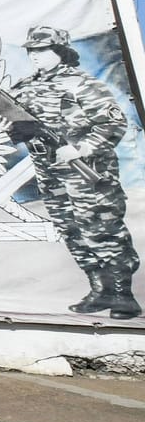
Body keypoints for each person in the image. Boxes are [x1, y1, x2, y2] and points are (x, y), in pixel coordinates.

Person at [8, 25, 141, 319]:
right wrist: (17, 131)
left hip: (87, 173)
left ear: (60, 52)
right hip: (50, 172)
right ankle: (99, 289)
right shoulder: (24, 86)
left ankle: (122, 294)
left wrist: (81, 149)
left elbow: (113, 124)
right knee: (71, 230)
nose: (35, 56)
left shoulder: (84, 85)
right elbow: (16, 124)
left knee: (102, 230)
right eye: (32, 50)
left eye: (42, 50)